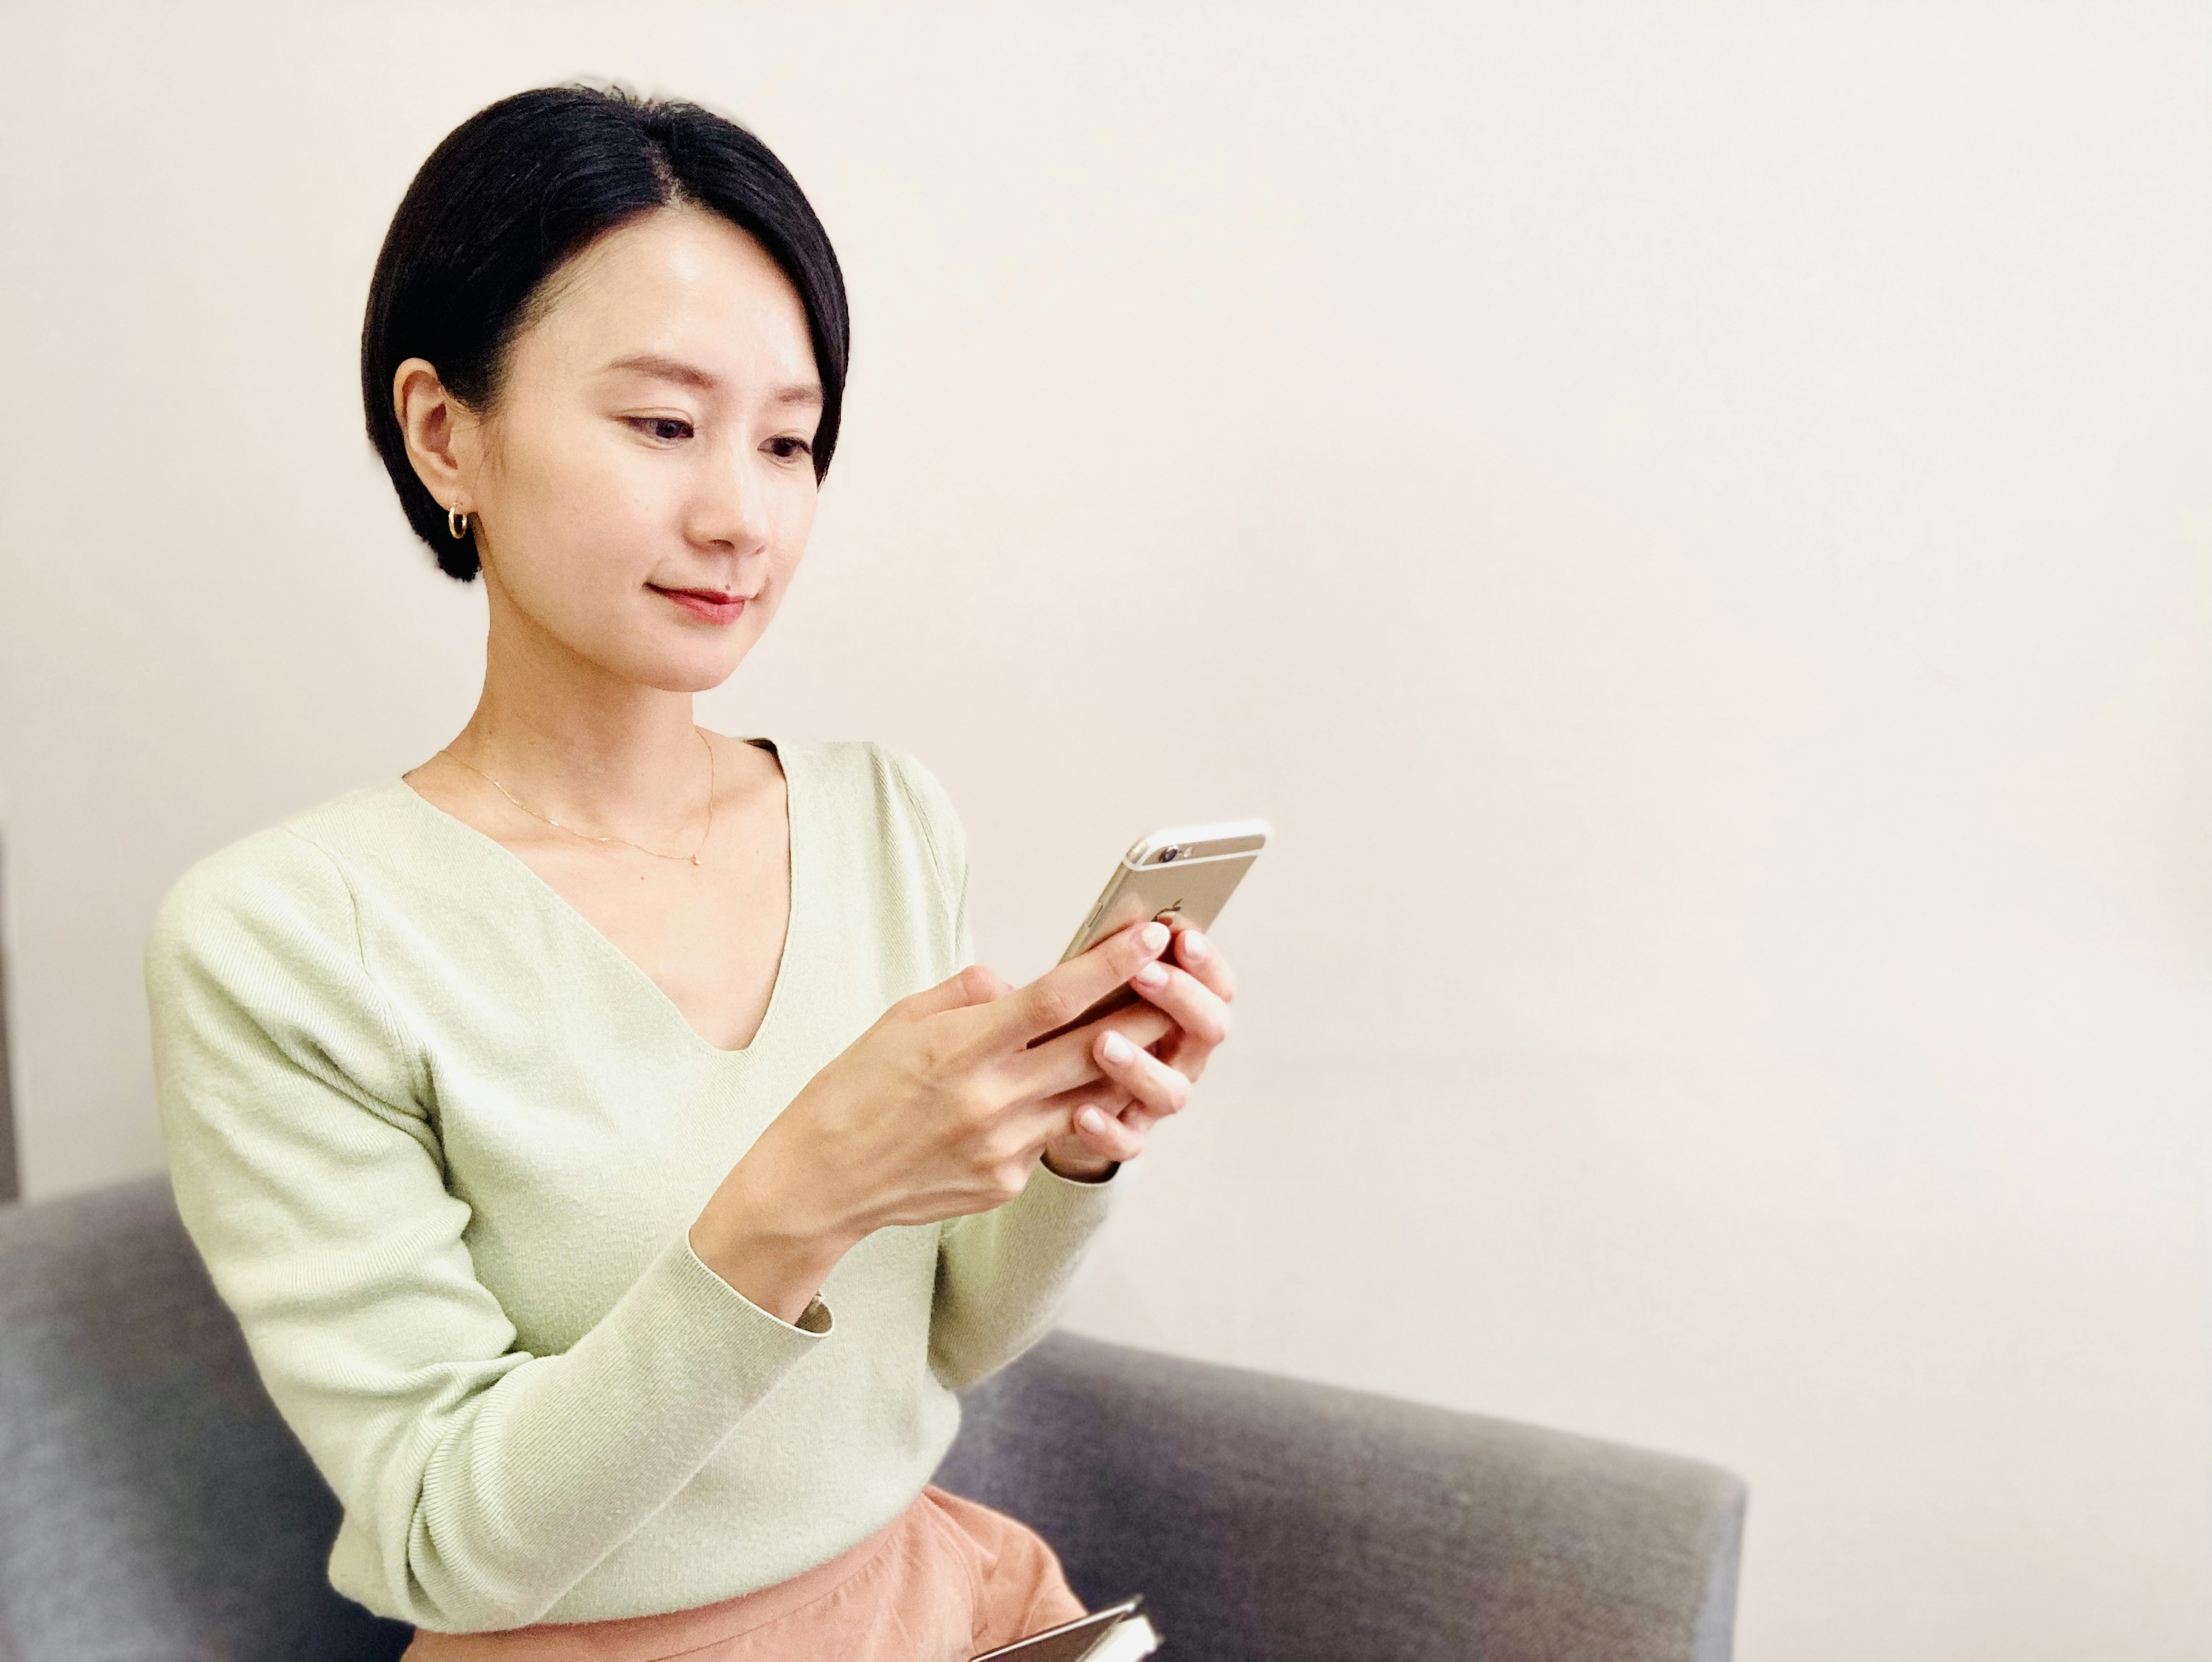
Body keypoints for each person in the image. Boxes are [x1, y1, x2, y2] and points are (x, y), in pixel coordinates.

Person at [143, 85, 1237, 1662]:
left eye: (789, 442)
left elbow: (940, 1346)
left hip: (935, 1603)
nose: (741, 515)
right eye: (663, 425)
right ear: (446, 431)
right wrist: (795, 1197)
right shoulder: (284, 939)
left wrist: (1075, 1152)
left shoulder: (882, 815)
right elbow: (454, 1540)